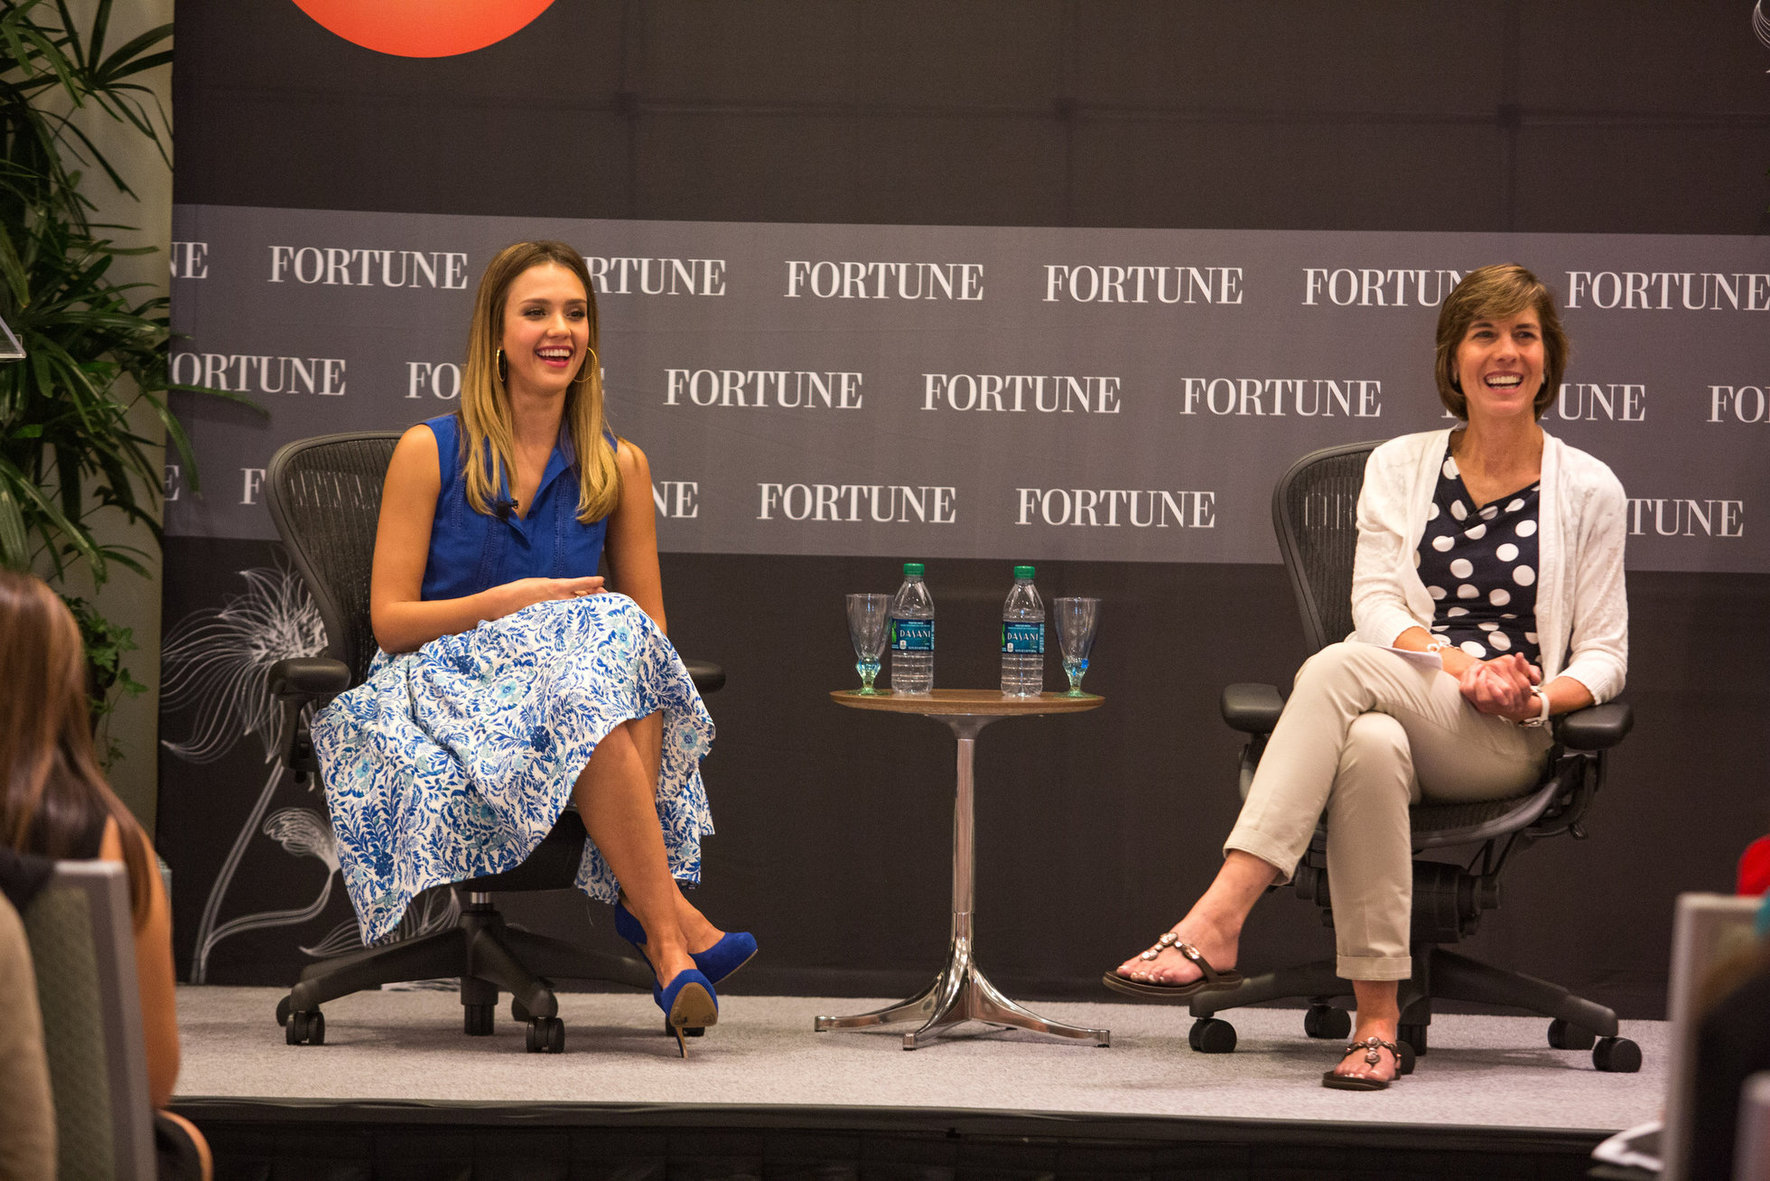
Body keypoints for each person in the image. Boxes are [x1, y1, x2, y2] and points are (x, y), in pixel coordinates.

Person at [1105, 263, 1628, 1090]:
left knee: (1338, 665)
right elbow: (1377, 603)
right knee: (1372, 741)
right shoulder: (1400, 465)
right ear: (1453, 359)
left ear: (1548, 356)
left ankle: (1222, 913)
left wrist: (1529, 694)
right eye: (1484, 334)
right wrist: (1461, 666)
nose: (1505, 353)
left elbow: (1604, 653)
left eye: (1524, 334)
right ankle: (1378, 1024)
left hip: (1505, 734)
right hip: (1417, 693)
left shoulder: (1590, 488)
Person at [310, 240, 752, 1056]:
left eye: (576, 313)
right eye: (537, 311)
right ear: (497, 333)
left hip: (569, 693)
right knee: (598, 657)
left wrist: (565, 633)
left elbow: (647, 646)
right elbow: (390, 622)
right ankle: (667, 927)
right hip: (439, 682)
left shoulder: (619, 467)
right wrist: (507, 604)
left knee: (620, 639)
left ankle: (656, 929)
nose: (561, 329)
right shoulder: (427, 449)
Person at [0, 571, 213, 1178]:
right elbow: (150, 1078)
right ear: (65, 686)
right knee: (182, 1143)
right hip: (70, 1149)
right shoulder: (110, 838)